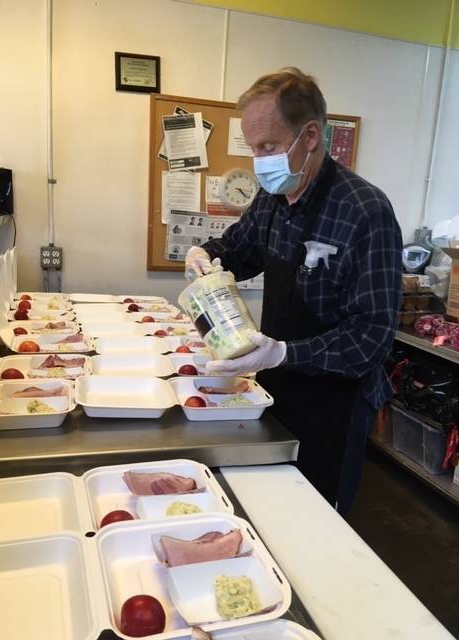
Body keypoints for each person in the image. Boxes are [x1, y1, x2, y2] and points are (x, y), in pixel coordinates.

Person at [185, 67, 402, 516]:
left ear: (309, 136)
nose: (259, 160)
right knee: (272, 501)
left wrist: (284, 354)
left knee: (319, 514)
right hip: (278, 385)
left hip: (336, 404)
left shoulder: (364, 211)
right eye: (253, 148)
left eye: (268, 146)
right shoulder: (271, 198)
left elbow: (371, 338)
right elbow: (238, 250)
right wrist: (204, 253)